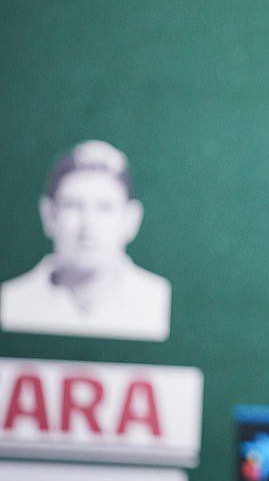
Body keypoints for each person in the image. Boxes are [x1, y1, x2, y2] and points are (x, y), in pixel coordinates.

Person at [1, 141, 171, 342]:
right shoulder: (12, 300)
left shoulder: (157, 299)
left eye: (104, 207)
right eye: (73, 206)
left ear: (130, 219)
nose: (88, 225)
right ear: (49, 215)